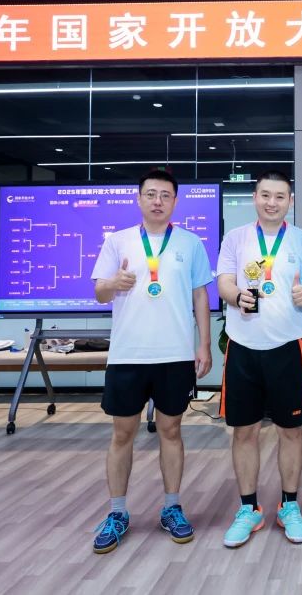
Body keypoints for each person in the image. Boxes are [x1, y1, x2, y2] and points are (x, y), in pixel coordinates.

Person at [89, 169, 213, 554]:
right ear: (139, 198)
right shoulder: (117, 241)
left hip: (175, 354)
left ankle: (172, 507)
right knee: (122, 434)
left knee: (171, 431)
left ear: (175, 201)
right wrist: (114, 284)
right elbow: (99, 293)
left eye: (165, 195)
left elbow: (200, 297)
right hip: (128, 355)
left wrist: (204, 345)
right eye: (151, 194)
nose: (158, 201)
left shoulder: (190, 243)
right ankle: (117, 513)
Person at [215, 170, 302, 548]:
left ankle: (289, 505)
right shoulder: (236, 238)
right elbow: (224, 281)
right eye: (265, 195)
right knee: (244, 431)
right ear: (254, 198)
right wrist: (235, 296)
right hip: (242, 347)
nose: (271, 202)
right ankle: (249, 509)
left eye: (279, 196)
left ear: (289, 201)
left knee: (290, 431)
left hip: (288, 347)